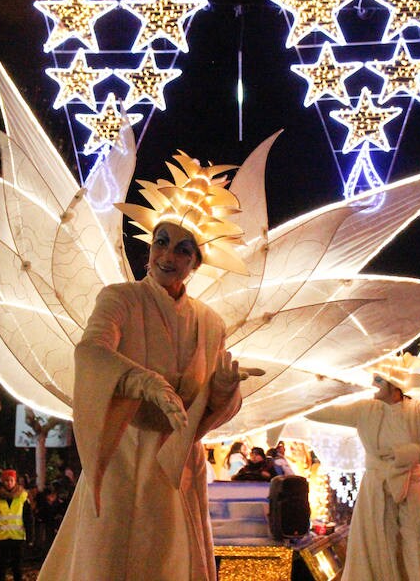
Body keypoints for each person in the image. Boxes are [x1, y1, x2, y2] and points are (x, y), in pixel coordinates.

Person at [38, 153, 263, 580]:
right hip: (124, 453)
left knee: (171, 563)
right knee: (109, 562)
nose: (169, 256)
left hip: (176, 466)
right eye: (162, 241)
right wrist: (141, 382)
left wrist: (223, 390)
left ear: (196, 263)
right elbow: (90, 353)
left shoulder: (211, 323)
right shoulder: (120, 299)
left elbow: (207, 410)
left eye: (183, 249)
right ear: (149, 245)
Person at [306, 353, 420, 581]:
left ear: (393, 385)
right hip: (376, 487)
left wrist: (407, 453)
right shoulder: (364, 409)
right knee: (378, 544)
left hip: (413, 487)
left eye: (378, 380)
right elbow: (319, 413)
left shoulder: (418, 411)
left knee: (417, 545)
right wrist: (320, 388)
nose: (373, 384)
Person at [0, 469, 30, 581]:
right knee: (1, 568)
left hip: (18, 538)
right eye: (6, 480)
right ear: (3, 482)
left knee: (17, 568)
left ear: (15, 481)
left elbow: (28, 518)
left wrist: (30, 536)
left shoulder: (22, 497)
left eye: (11, 480)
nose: (9, 483)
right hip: (2, 538)